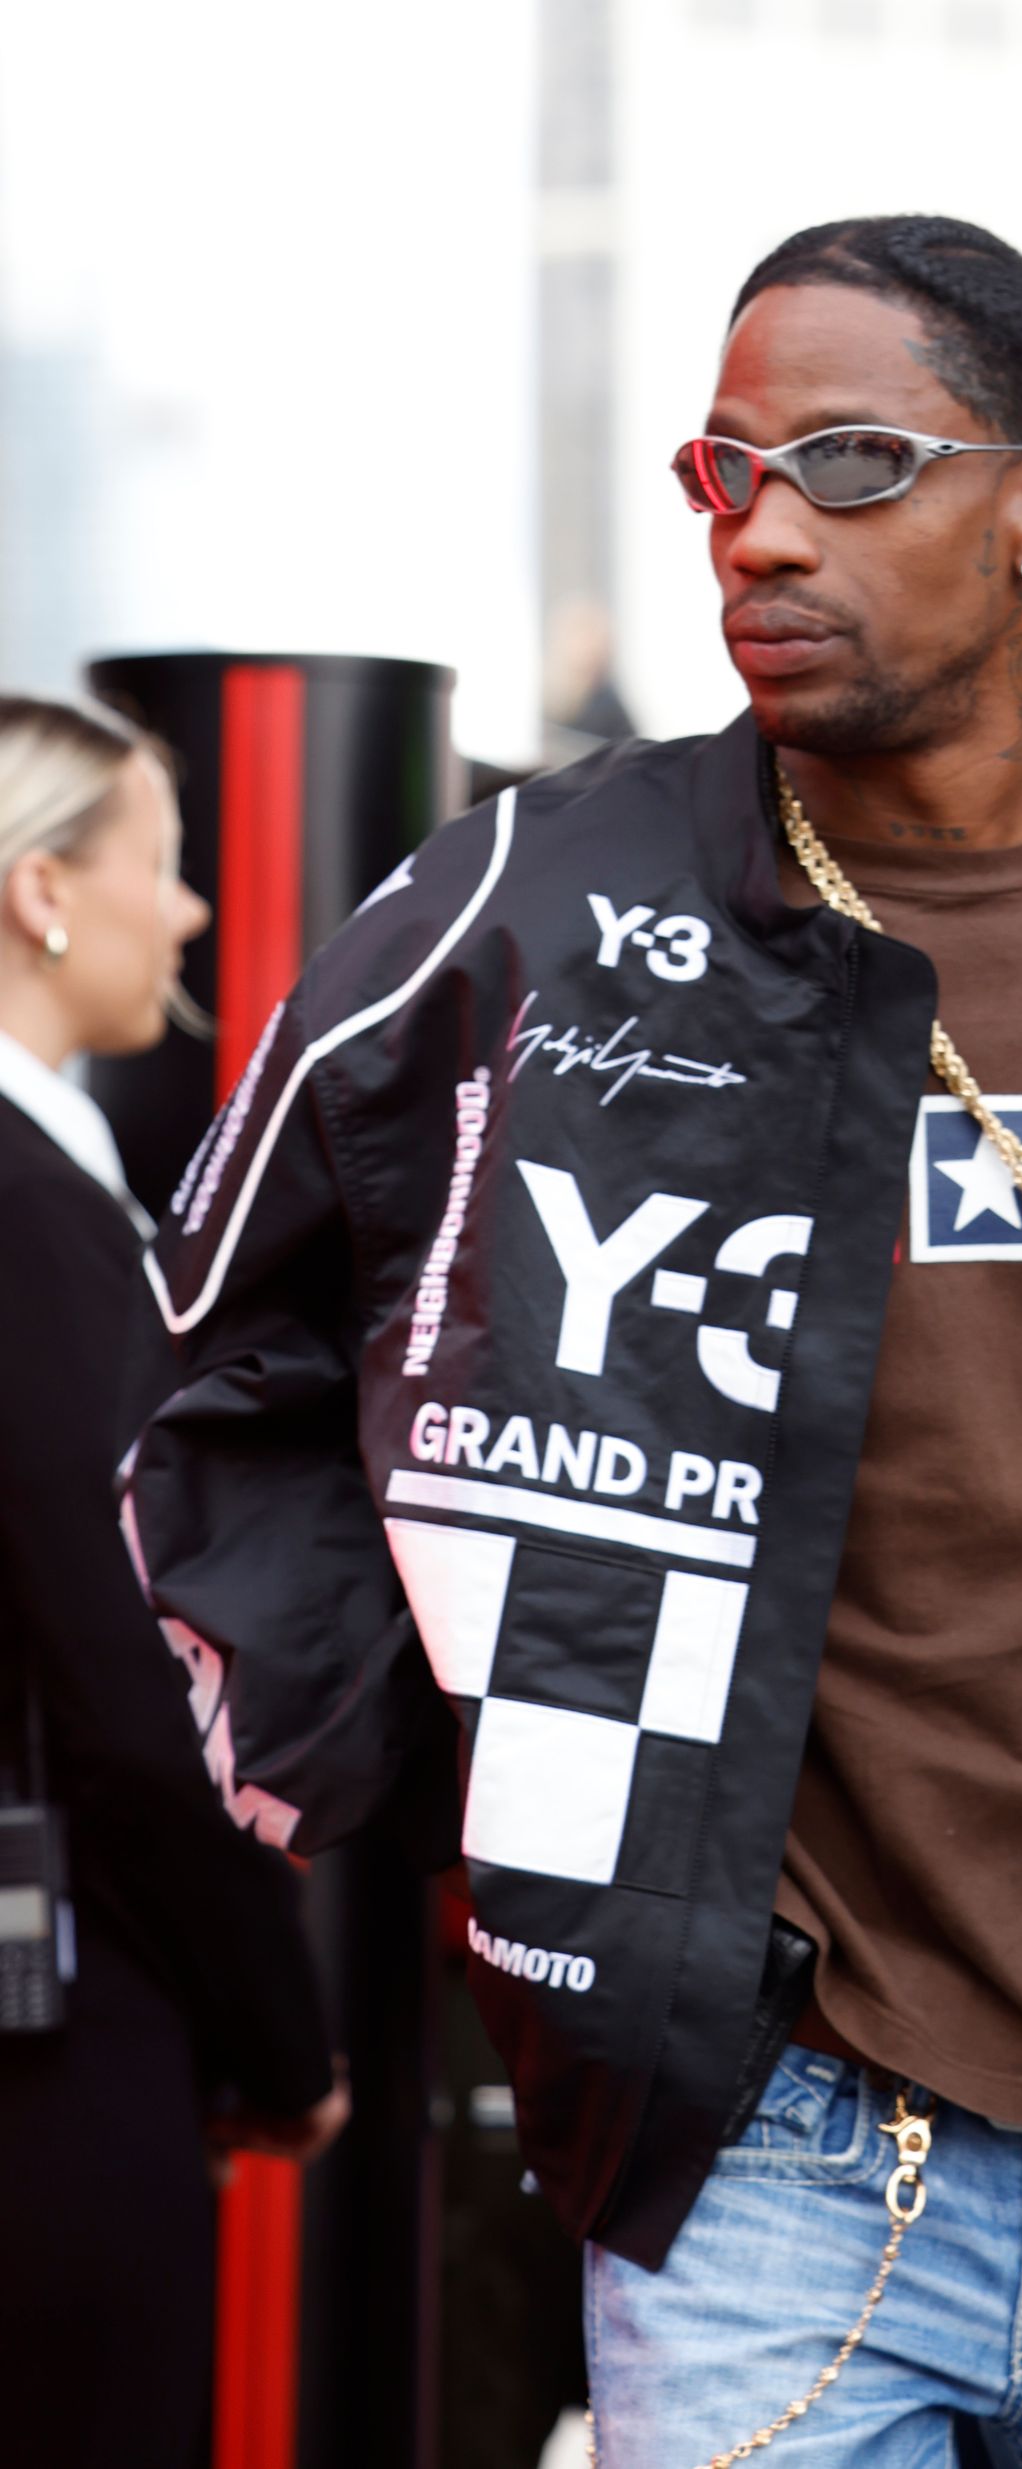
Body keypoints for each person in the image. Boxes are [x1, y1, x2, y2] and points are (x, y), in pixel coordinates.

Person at [123, 218, 1022, 2469]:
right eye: (724, 468)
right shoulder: (539, 917)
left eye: (848, 460)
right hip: (773, 2167)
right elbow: (217, 1364)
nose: (761, 526)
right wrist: (475, 1806)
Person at [0, 695, 345, 2469]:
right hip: (53, 2036)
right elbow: (134, 1680)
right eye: (162, 860)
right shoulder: (31, 1210)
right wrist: (278, 2031)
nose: (194, 913)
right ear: (43, 889)